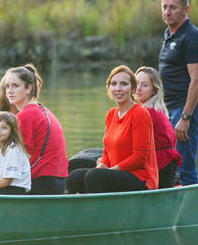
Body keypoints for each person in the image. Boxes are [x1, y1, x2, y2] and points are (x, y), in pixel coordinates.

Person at [66, 65, 158, 194]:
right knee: (74, 177)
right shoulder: (111, 114)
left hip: (140, 177)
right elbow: (106, 153)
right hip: (116, 173)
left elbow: (139, 157)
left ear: (133, 88)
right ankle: (84, 206)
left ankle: (100, 207)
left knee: (94, 176)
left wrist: (108, 171)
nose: (118, 88)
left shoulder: (139, 113)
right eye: (113, 84)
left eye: (124, 84)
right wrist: (100, 168)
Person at [159, 0, 198, 185]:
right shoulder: (169, 33)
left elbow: (197, 80)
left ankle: (194, 202)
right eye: (164, 7)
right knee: (169, 166)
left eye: (173, 7)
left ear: (185, 9)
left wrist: (185, 117)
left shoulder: (191, 37)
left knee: (183, 167)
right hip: (170, 108)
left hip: (185, 109)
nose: (167, 12)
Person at [1, 64, 68, 195]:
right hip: (58, 181)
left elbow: (14, 158)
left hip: (42, 182)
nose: (9, 91)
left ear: (29, 88)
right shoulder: (41, 109)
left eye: (15, 86)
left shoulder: (25, 116)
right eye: (7, 86)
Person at [134, 66, 182, 189]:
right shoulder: (156, 108)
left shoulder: (147, 111)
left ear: (154, 90)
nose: (138, 88)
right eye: (136, 83)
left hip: (160, 164)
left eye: (144, 85)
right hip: (164, 161)